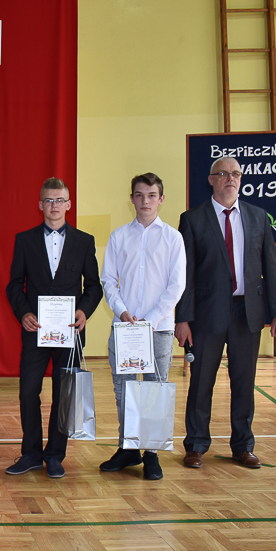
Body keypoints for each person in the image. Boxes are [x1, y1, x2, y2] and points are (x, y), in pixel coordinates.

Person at [175, 156, 276, 469]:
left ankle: (243, 446)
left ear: (240, 179)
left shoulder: (258, 216)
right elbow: (186, 274)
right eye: (223, 173)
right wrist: (182, 318)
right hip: (206, 315)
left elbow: (271, 268)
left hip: (247, 313)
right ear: (211, 180)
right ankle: (196, 444)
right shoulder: (193, 219)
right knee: (201, 382)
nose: (230, 178)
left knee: (244, 383)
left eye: (235, 173)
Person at [5, 178, 102, 479]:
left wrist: (84, 311)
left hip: (70, 331)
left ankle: (55, 455)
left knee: (65, 394)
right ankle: (31, 454)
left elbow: (94, 287)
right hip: (36, 330)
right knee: (27, 392)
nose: (54, 206)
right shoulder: (24, 240)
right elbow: (13, 285)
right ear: (40, 205)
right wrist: (24, 313)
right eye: (49, 200)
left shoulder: (84, 241)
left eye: (60, 200)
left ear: (68, 204)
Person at [99, 173, 186, 480]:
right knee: (123, 391)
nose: (145, 200)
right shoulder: (119, 237)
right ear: (132, 199)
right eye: (139, 195)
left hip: (158, 329)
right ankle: (128, 448)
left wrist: (151, 319)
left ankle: (151, 454)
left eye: (151, 195)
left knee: (153, 390)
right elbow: (108, 280)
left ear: (161, 199)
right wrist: (122, 311)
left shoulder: (173, 238)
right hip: (125, 328)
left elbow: (176, 285)